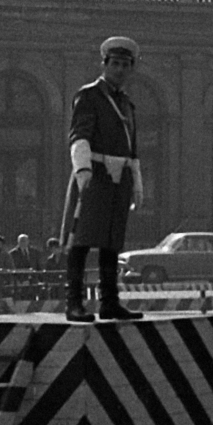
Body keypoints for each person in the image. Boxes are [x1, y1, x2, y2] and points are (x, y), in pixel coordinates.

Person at [63, 35, 145, 323]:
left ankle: (109, 301)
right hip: (94, 174)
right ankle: (74, 303)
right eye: (115, 64)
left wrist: (136, 181)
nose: (120, 70)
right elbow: (79, 134)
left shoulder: (127, 105)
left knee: (112, 242)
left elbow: (131, 148)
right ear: (104, 64)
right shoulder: (89, 96)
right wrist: (83, 170)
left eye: (125, 64)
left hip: (119, 177)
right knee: (82, 240)